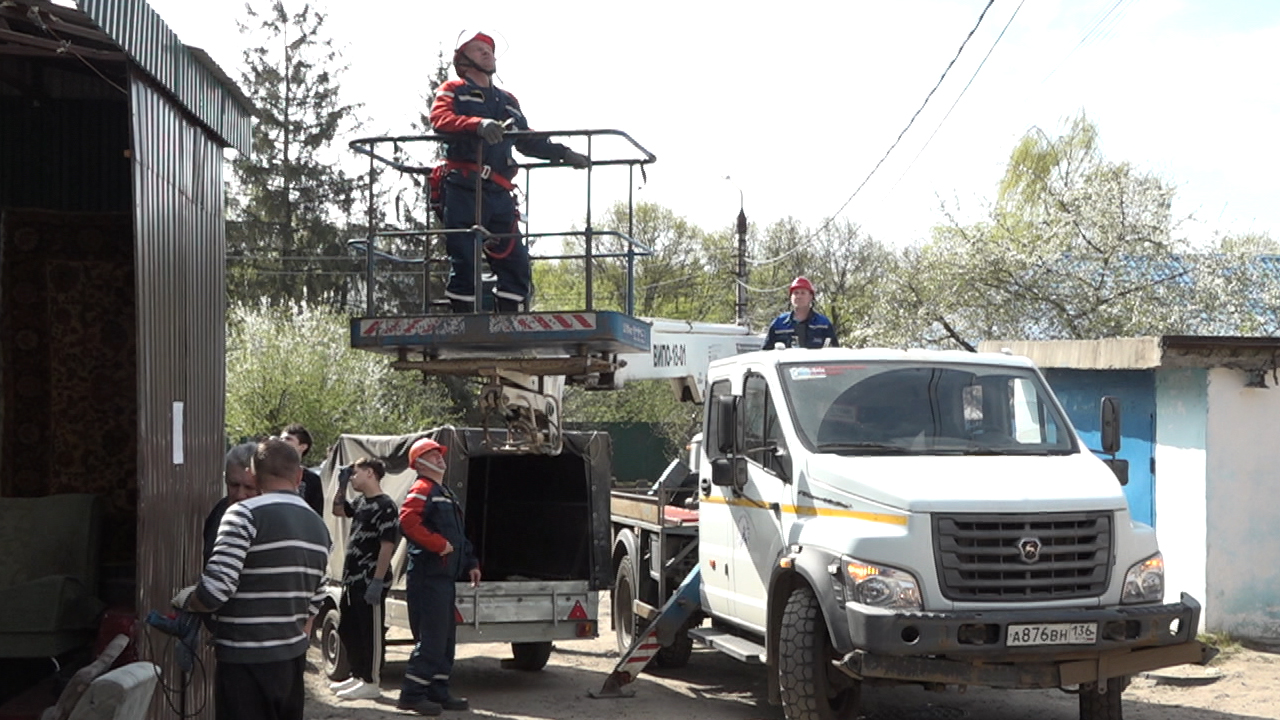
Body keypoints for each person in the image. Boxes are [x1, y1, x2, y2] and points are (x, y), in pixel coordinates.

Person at [430, 31, 590, 313]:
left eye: (489, 49)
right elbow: (441, 120)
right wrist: (477, 124)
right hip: (463, 187)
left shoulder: (507, 101)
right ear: (463, 60)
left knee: (515, 261)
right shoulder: (453, 90)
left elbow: (526, 139)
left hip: (499, 192)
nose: (487, 53)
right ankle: (463, 323)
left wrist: (562, 153)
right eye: (478, 49)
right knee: (465, 259)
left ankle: (510, 321)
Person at [175, 438, 331, 720]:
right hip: (291, 663)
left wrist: (186, 600)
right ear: (298, 476)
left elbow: (215, 592)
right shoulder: (319, 526)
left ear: (255, 476)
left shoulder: (242, 514)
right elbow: (316, 599)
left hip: (245, 662)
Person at [396, 437, 481, 716]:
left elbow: (458, 535)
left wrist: (471, 562)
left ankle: (438, 691)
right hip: (427, 578)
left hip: (444, 579)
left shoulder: (445, 492)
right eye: (432, 455)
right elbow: (407, 520)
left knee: (445, 640)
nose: (439, 458)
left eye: (439, 453)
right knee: (432, 639)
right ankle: (411, 695)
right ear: (419, 463)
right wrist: (436, 544)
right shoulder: (422, 488)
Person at [328, 457, 398, 701]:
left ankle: (371, 680)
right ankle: (358, 675)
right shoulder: (360, 502)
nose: (353, 477)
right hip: (352, 578)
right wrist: (342, 484)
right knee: (350, 629)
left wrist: (377, 581)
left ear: (370, 473)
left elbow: (387, 545)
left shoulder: (385, 505)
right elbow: (338, 510)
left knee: (370, 632)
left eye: (355, 473)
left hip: (370, 578)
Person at [202, 442, 259, 563]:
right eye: (234, 485)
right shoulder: (219, 513)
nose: (240, 495)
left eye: (249, 487)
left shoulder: (273, 522)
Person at [763, 276, 838, 350]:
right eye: (796, 293)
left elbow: (835, 353)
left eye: (803, 293)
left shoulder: (823, 324)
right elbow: (765, 353)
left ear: (811, 297)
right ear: (791, 297)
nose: (798, 296)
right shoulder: (779, 324)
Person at [281, 423, 325, 515]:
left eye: (288, 439)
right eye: (281, 439)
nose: (282, 442)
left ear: (303, 447)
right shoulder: (270, 473)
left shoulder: (312, 479)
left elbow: (316, 515)